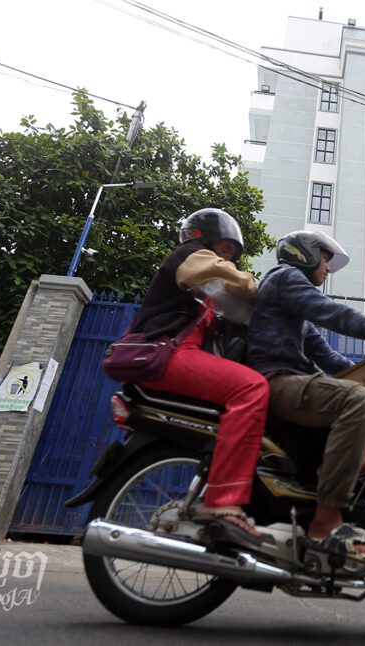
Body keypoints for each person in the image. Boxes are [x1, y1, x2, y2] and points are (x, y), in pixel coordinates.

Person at [246, 230, 365, 564]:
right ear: (306, 254)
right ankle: (326, 520)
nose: (328, 268)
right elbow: (334, 314)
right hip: (277, 380)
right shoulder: (286, 279)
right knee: (359, 402)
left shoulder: (293, 308)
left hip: (291, 379)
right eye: (326, 259)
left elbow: (330, 359)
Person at [130, 207, 268, 542]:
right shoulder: (189, 256)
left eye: (233, 252)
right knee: (252, 388)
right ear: (203, 237)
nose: (229, 256)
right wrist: (262, 287)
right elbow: (233, 280)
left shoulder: (205, 288)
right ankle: (222, 503)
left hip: (175, 354)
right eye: (225, 248)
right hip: (168, 352)